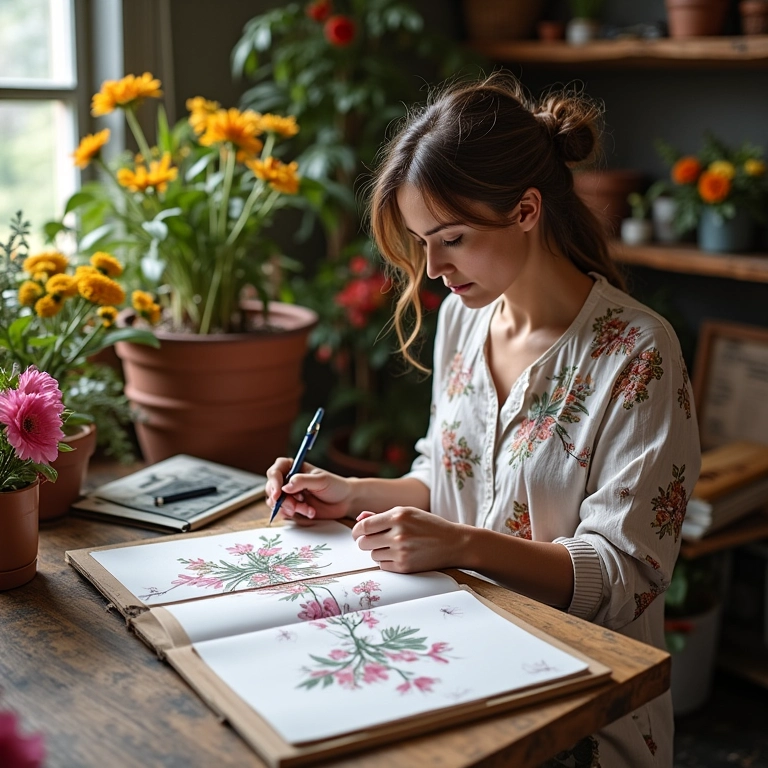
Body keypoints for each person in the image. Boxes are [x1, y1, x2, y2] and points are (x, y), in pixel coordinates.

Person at [266, 72, 700, 767]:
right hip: (458, 657)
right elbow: (448, 477)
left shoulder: (638, 352)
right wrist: (351, 493)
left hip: (579, 712)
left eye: (452, 239)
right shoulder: (464, 325)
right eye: (420, 241)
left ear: (527, 210)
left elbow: (625, 577)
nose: (432, 267)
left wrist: (463, 546)